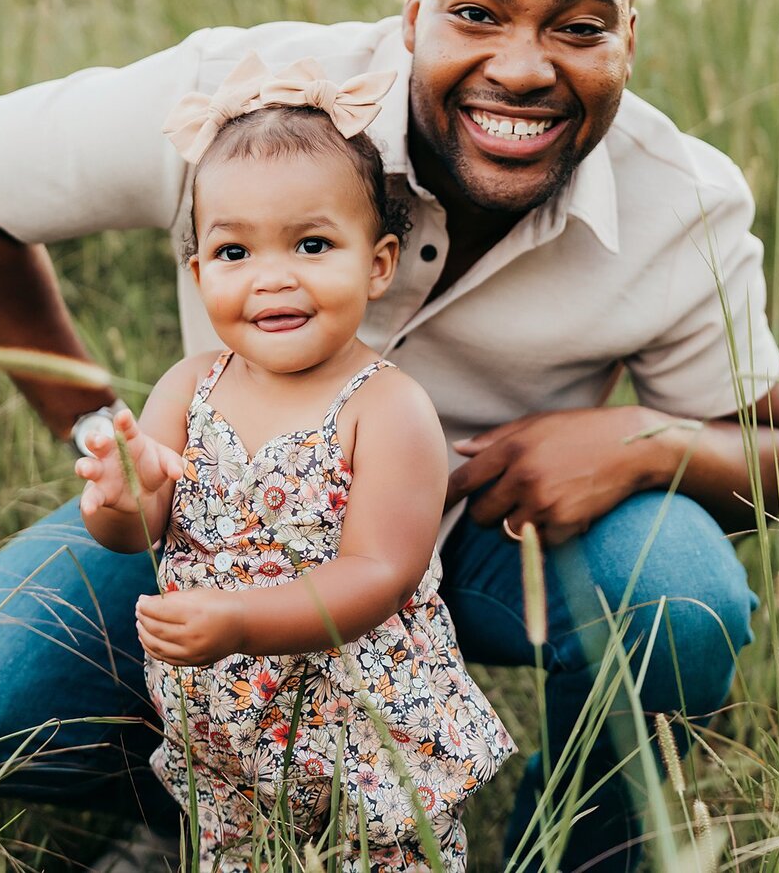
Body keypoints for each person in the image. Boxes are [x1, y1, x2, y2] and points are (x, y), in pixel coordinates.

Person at [0, 0, 779, 872]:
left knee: (680, 590)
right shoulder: (245, 105)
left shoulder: (681, 200)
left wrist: (643, 438)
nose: (520, 67)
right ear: (415, 8)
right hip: (227, 528)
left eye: (579, 25)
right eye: (476, 12)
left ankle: (572, 847)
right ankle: (196, 800)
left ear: (628, 39)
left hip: (488, 538)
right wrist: (109, 439)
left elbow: (774, 454)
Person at [72, 55, 515, 870]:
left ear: (378, 263)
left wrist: (239, 622)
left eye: (312, 244)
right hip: (223, 724)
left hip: (360, 724)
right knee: (236, 850)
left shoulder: (388, 408)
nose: (273, 278)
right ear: (199, 269)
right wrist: (119, 492)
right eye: (235, 254)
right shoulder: (188, 387)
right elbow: (136, 532)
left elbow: (378, 574)